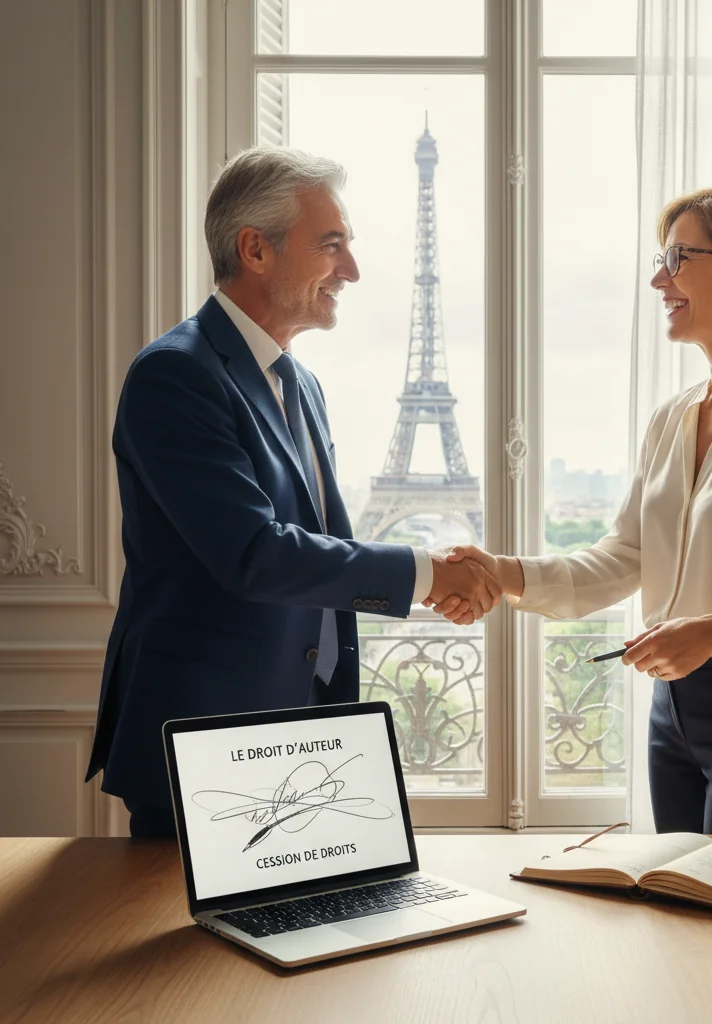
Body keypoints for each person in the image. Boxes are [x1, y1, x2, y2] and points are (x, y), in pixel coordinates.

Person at [438, 185, 712, 835]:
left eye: (679, 258)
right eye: (661, 257)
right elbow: (624, 557)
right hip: (670, 714)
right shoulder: (673, 417)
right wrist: (500, 571)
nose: (658, 278)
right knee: (679, 919)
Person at [86, 147, 500, 838]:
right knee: (184, 948)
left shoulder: (300, 384)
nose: (353, 271)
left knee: (301, 939)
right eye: (331, 245)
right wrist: (428, 574)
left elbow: (321, 545)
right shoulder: (175, 375)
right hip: (205, 735)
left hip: (303, 732)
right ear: (255, 249)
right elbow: (253, 552)